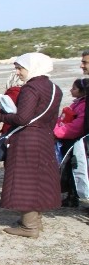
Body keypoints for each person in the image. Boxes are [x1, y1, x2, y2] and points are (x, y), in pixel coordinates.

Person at [0, 52, 62, 239]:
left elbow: (22, 118)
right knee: (39, 180)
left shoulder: (30, 88)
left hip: (27, 140)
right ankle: (36, 221)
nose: (18, 72)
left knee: (25, 182)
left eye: (20, 68)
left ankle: (29, 226)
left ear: (32, 67)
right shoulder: (54, 88)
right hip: (45, 137)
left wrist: (2, 115)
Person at [53, 78, 87, 207]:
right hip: (68, 140)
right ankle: (71, 196)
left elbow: (76, 126)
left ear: (82, 91)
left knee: (76, 169)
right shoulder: (76, 104)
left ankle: (75, 196)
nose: (71, 90)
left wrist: (57, 133)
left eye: (74, 88)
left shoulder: (83, 106)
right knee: (69, 169)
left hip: (75, 142)